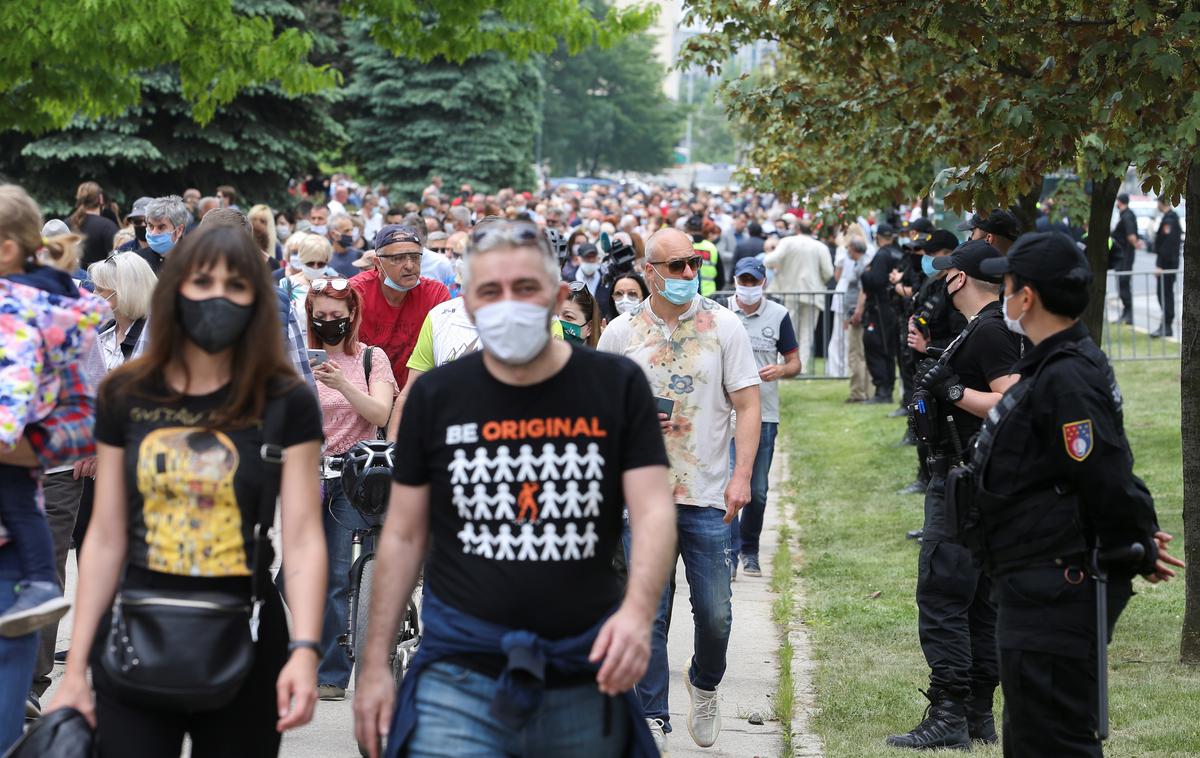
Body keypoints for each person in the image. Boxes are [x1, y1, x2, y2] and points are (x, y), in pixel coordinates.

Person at [352, 219, 678, 758]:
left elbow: (652, 512)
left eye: (525, 288)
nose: (509, 303)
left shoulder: (614, 387)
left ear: (556, 295)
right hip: (458, 668)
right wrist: (375, 667)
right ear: (470, 305)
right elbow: (405, 536)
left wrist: (638, 615)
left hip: (584, 663)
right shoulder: (437, 396)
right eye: (490, 291)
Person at [46, 225, 327, 757]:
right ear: (175, 289)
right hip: (132, 629)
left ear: (256, 300)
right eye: (202, 281)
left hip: (245, 631)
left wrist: (306, 650)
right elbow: (104, 537)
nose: (217, 296)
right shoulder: (126, 394)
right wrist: (76, 667)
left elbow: (306, 534)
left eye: (236, 285)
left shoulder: (285, 399)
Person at [964, 232, 1183, 755]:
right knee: (1032, 735)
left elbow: (1103, 472)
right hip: (1033, 585)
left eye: (1008, 283)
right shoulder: (1057, 366)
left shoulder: (1066, 377)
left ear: (1027, 296)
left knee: (1054, 740)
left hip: (1054, 591)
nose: (1002, 294)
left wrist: (1136, 543)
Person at [597, 228, 761, 752]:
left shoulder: (724, 325)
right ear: (650, 271)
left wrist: (742, 476)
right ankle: (652, 716)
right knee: (649, 610)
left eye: (693, 264)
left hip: (707, 493)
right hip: (638, 499)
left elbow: (749, 404)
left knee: (715, 613)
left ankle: (705, 684)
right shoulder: (621, 333)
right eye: (676, 267)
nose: (688, 275)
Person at [886, 240, 1021, 751]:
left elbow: (1012, 399)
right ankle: (976, 714)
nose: (941, 280)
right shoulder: (990, 325)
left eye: (946, 273)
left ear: (959, 279)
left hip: (966, 481)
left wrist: (954, 391)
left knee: (945, 593)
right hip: (977, 476)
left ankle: (951, 713)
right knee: (979, 598)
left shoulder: (990, 329)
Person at [0, 184, 107, 640]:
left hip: (34, 448)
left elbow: (22, 377)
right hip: (25, 439)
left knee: (29, 514)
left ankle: (42, 587)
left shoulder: (21, 303)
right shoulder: (39, 295)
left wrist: (9, 434)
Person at [304, 278, 397, 701]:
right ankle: (315, 644)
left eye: (336, 317)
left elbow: (380, 410)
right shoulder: (296, 358)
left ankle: (333, 672)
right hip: (306, 472)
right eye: (319, 317)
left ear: (352, 316)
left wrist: (342, 384)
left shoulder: (370, 359)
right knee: (295, 575)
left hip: (354, 473)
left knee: (338, 572)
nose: (327, 324)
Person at [723, 258, 800, 578]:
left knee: (758, 487)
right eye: (744, 281)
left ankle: (749, 550)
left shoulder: (779, 315)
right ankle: (728, 553)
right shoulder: (721, 310)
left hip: (764, 414)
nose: (748, 287)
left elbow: (795, 362)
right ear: (735, 281)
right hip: (725, 414)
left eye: (754, 282)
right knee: (726, 484)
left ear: (764, 282)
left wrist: (781, 369)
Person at [349, 224, 450, 388]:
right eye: (398, 258)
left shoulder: (435, 294)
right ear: (378, 263)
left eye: (415, 257)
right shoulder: (355, 293)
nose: (410, 265)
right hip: (364, 395)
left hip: (417, 394)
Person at [765, 219, 834, 370]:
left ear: (797, 229)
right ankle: (800, 367)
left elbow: (769, 260)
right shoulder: (820, 246)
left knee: (788, 331)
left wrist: (775, 260)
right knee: (807, 332)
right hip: (812, 294)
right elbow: (828, 272)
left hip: (790, 292)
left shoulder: (787, 242)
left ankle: (784, 364)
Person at [843, 239, 871, 402]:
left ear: (853, 248)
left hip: (857, 315)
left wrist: (857, 312)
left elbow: (863, 291)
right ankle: (865, 391)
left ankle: (858, 393)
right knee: (861, 353)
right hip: (857, 313)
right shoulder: (863, 263)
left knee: (856, 354)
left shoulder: (862, 265)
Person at [68, 182, 119, 267]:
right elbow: (118, 260)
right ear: (100, 198)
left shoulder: (67, 223)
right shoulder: (107, 226)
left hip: (70, 278)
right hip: (100, 278)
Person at [135, 195, 189, 275]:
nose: (153, 233)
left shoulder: (193, 262)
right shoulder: (138, 260)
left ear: (179, 230)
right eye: (150, 226)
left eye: (161, 227)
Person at [1151, 198, 1180, 338]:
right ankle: (1165, 325)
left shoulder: (1170, 220)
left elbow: (1167, 246)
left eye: (1158, 202)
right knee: (1163, 294)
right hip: (1167, 263)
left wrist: (1160, 265)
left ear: (1162, 203)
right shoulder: (1169, 218)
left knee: (1165, 294)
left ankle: (1167, 326)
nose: (1157, 205)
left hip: (1167, 265)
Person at [1110, 193, 1138, 325]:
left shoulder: (1127, 216)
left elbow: (1131, 236)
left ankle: (1128, 315)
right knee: (1122, 285)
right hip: (1122, 256)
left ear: (1120, 202)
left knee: (1124, 284)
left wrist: (1136, 244)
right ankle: (1127, 314)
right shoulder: (1125, 215)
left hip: (1125, 257)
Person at [561, 282, 602, 347]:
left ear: (589, 328)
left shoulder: (604, 356)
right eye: (555, 315)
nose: (558, 321)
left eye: (568, 316)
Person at [326, 213, 363, 277]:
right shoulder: (324, 258)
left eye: (351, 230)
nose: (351, 234)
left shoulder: (359, 255)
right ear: (333, 234)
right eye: (346, 231)